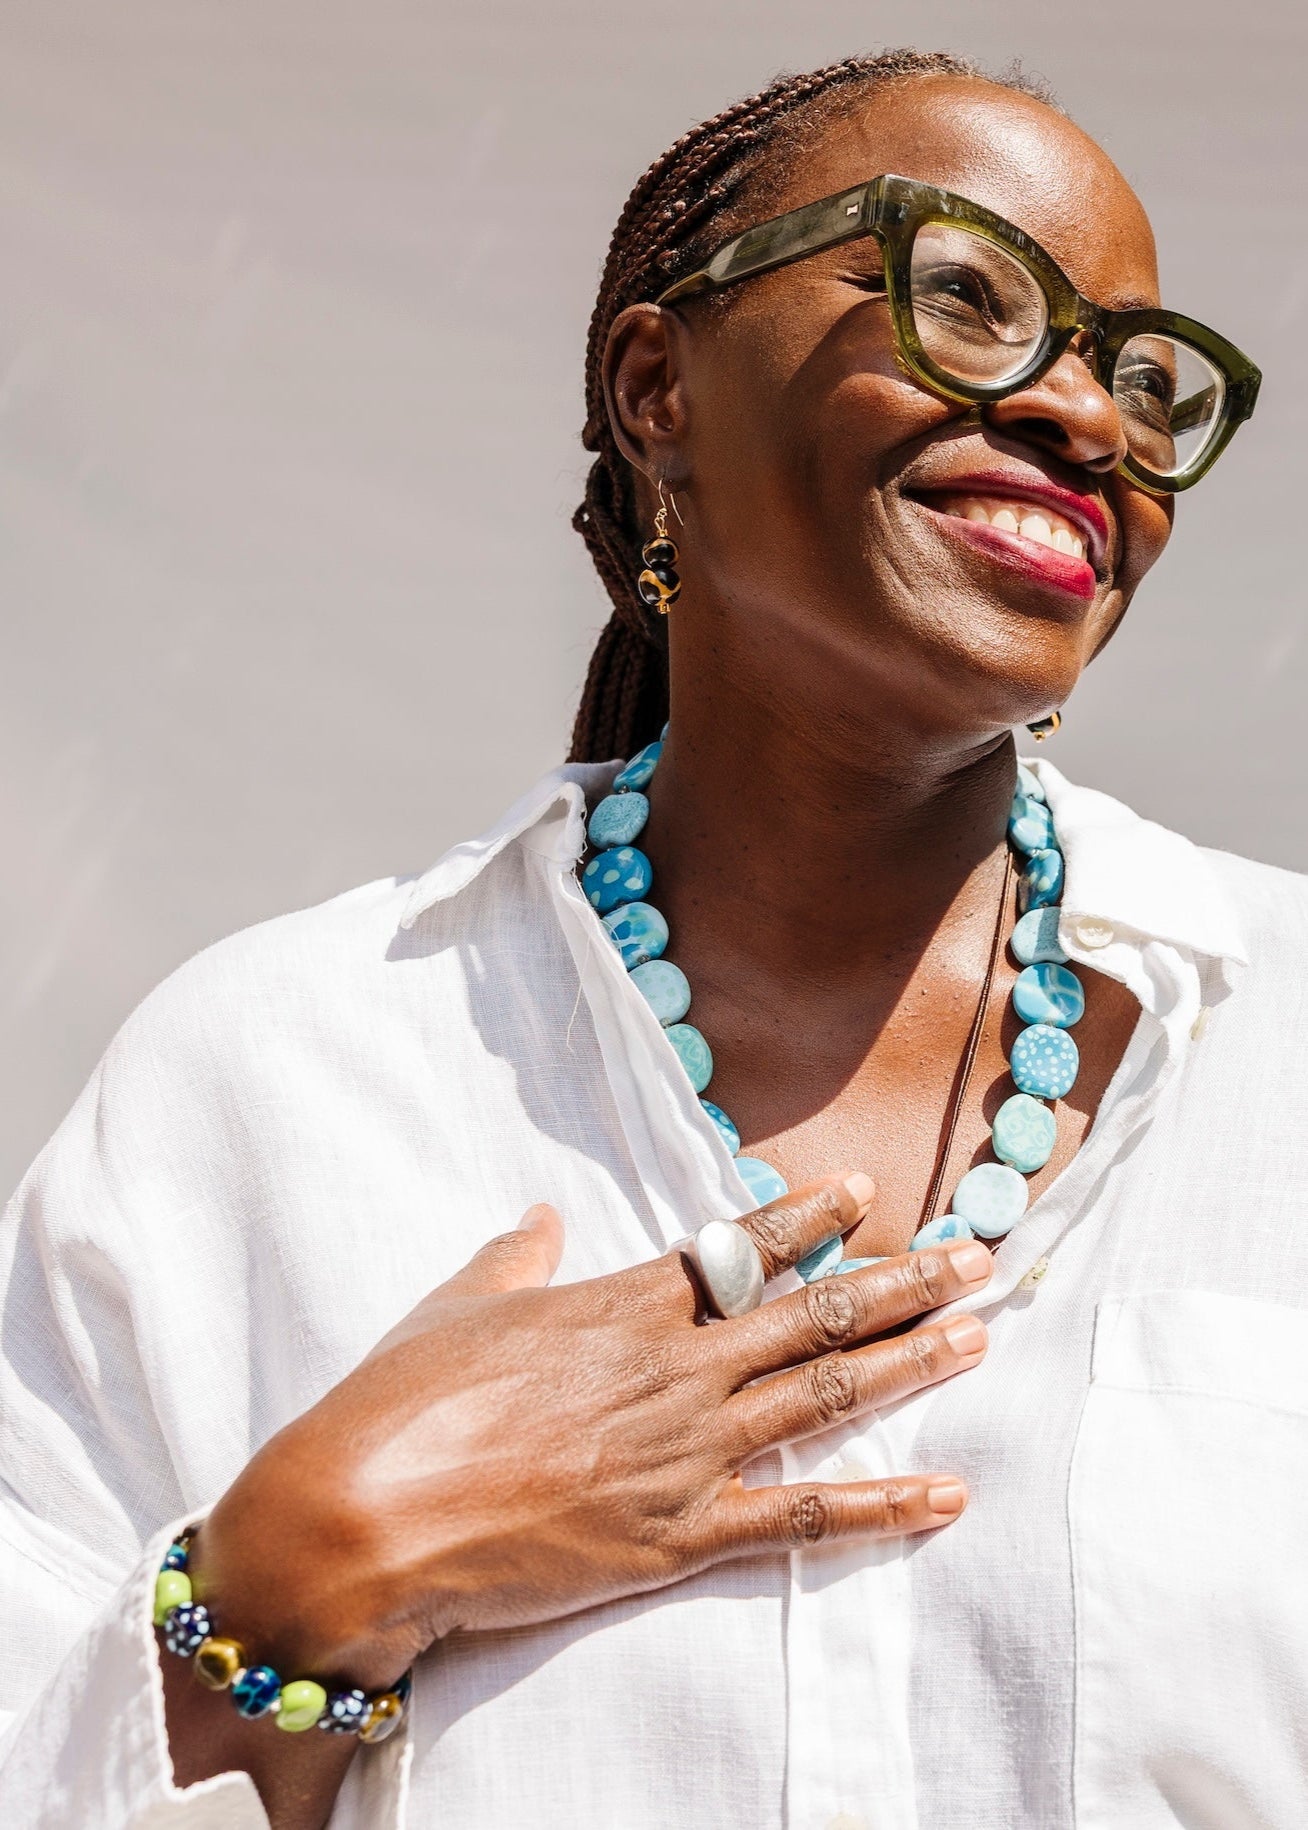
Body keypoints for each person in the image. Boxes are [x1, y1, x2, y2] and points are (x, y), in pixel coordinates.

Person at [0, 44, 1299, 1830]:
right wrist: (310, 1569)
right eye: (965, 296)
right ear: (657, 384)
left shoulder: (1282, 1048)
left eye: (1142, 380)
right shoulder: (268, 1087)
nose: (1088, 417)